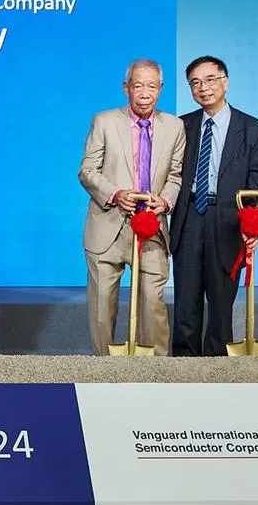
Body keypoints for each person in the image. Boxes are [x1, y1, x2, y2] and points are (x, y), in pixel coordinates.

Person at [78, 59, 185, 356]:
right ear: (126, 88)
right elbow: (87, 170)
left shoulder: (175, 127)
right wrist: (115, 193)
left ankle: (157, 374)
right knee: (102, 309)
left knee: (153, 304)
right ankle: (104, 373)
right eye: (138, 86)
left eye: (152, 86)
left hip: (151, 228)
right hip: (107, 226)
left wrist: (164, 201)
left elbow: (176, 176)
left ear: (161, 89)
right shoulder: (104, 121)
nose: (144, 93)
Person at [170, 56, 258, 356]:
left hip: (228, 222)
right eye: (195, 83)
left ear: (225, 81)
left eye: (211, 79)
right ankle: (183, 369)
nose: (204, 88)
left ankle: (216, 371)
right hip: (188, 217)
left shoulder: (255, 130)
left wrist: (252, 225)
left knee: (220, 304)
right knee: (185, 304)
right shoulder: (181, 127)